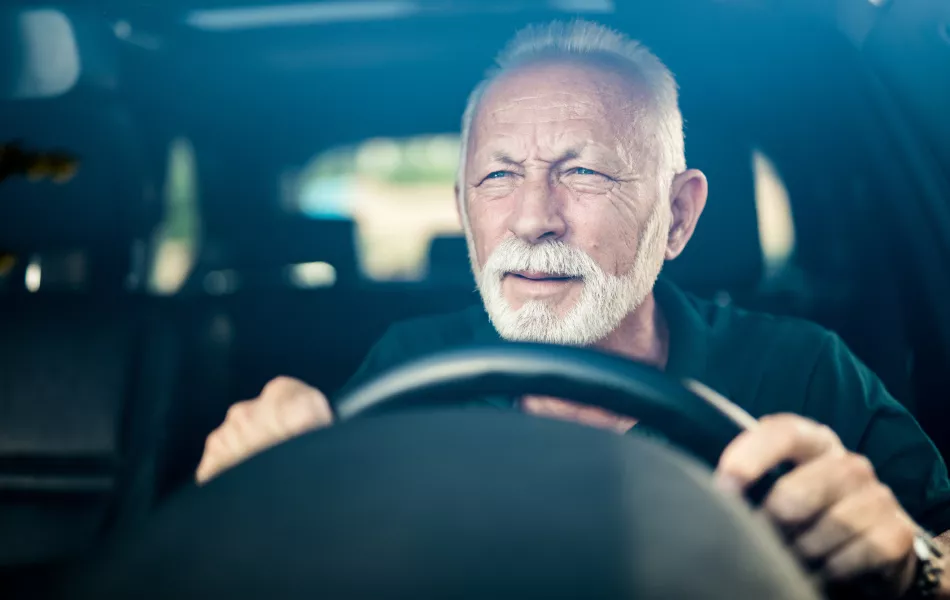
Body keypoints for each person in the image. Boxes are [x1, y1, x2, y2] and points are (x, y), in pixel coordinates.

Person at [196, 19, 950, 598]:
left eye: (581, 171)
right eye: (497, 177)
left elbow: (937, 547)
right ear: (464, 209)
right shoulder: (404, 369)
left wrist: (911, 561)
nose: (531, 219)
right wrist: (238, 504)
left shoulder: (804, 370)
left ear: (679, 216)